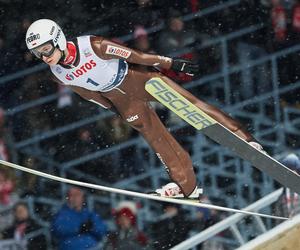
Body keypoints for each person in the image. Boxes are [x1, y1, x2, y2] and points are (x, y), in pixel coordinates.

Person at [25, 19, 263, 199]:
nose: (43, 57)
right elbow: (87, 93)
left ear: (57, 39)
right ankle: (186, 185)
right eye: (38, 53)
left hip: (136, 78)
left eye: (45, 49)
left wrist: (171, 63)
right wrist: (112, 109)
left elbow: (135, 55)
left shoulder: (93, 45)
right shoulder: (58, 72)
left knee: (190, 107)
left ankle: (245, 139)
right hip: (119, 98)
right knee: (156, 138)